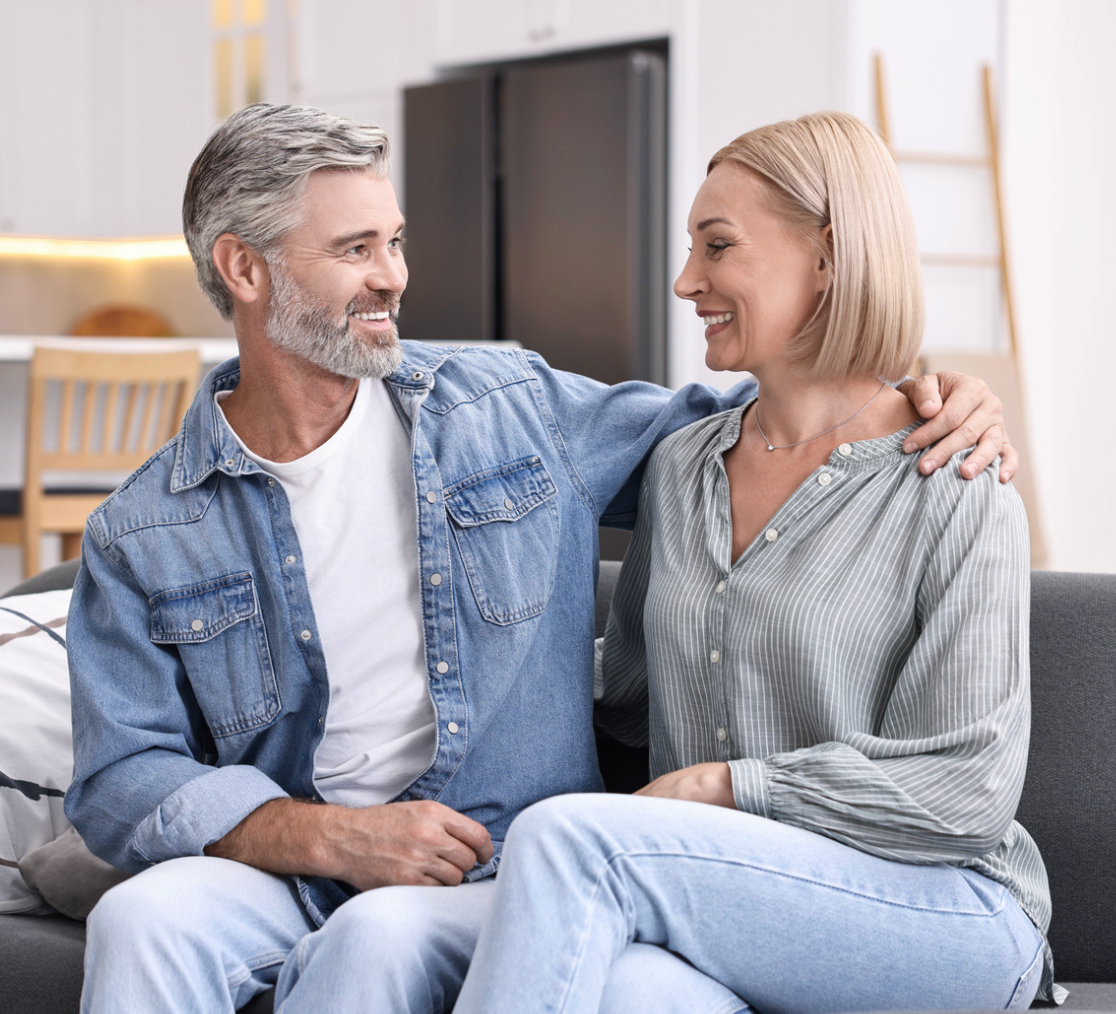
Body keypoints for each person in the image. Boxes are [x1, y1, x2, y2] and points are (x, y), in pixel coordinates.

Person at [63, 103, 1019, 1014]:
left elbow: (787, 431)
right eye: (357, 249)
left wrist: (926, 394)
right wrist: (323, 837)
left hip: (501, 854)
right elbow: (117, 777)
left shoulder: (510, 412)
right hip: (301, 860)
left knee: (386, 937)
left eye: (394, 241)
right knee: (142, 918)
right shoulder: (143, 531)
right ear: (244, 269)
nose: (395, 275)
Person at [452, 111, 1053, 1014]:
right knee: (635, 993)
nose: (687, 280)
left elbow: (962, 791)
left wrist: (726, 787)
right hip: (731, 900)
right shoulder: (683, 468)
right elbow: (624, 712)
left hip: (937, 908)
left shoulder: (955, 482)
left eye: (719, 246)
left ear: (828, 256)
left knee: (573, 842)